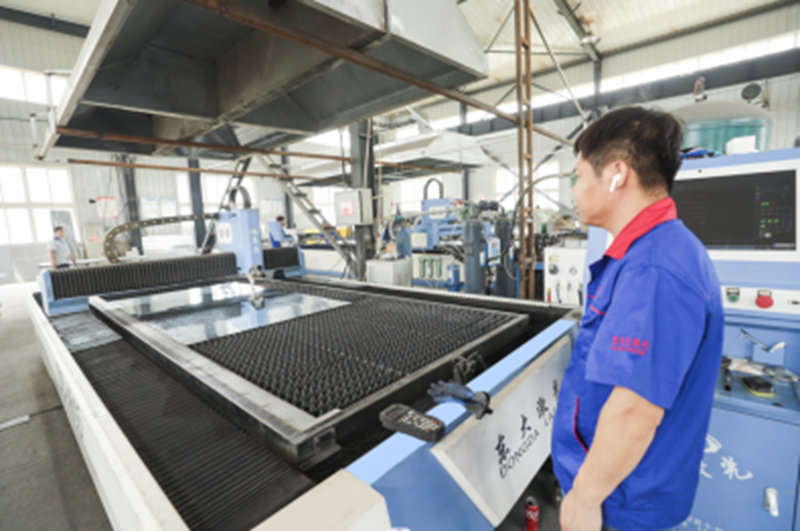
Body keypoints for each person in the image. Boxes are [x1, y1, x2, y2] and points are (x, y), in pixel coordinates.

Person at [551, 106, 724, 531]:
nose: (574, 190)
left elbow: (634, 412)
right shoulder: (651, 252)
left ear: (617, 174)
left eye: (578, 175)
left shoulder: (654, 267)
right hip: (621, 490)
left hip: (619, 502)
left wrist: (584, 499)